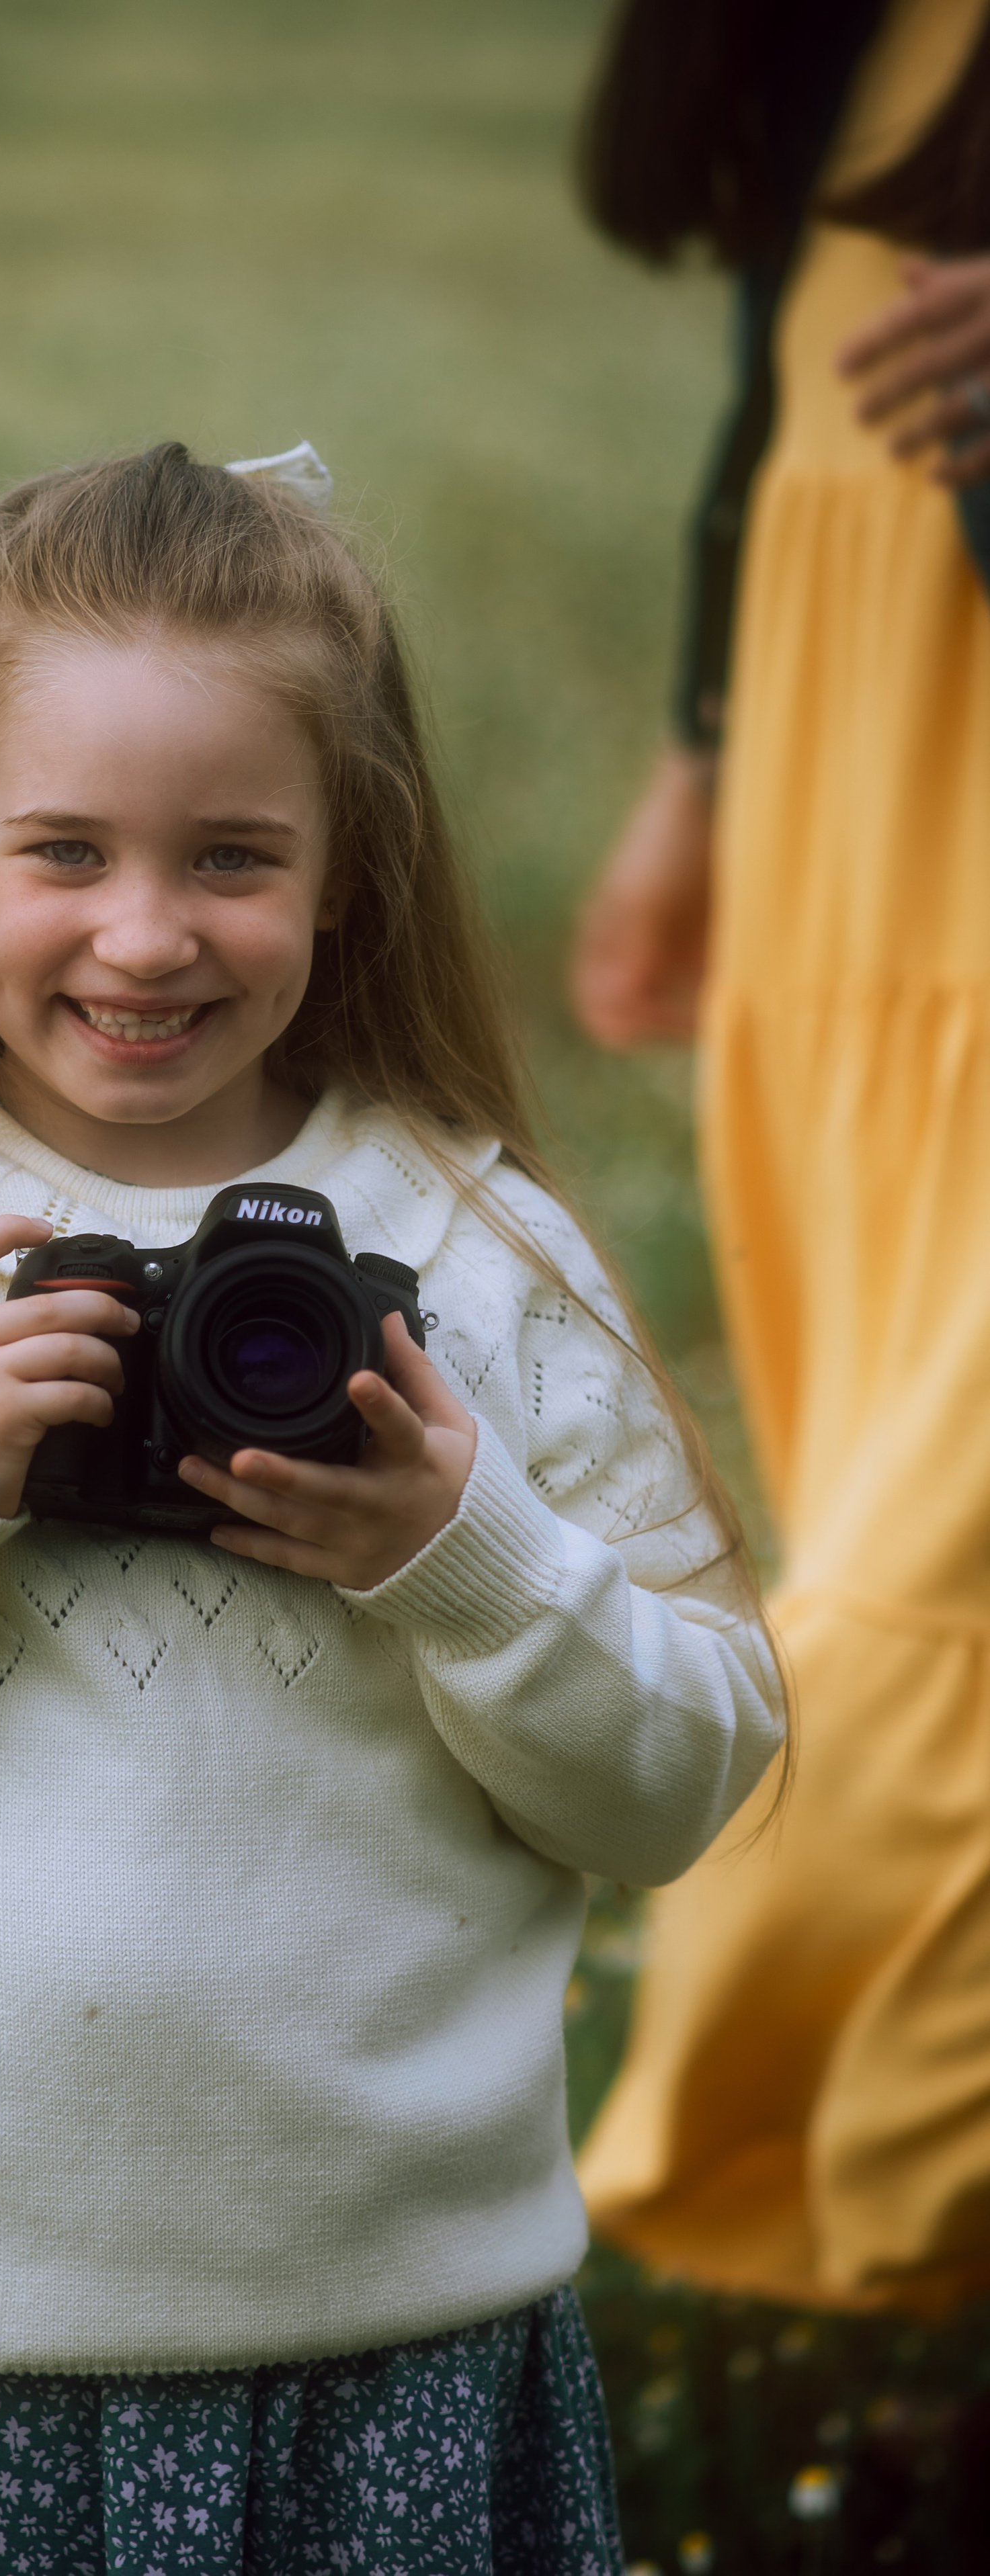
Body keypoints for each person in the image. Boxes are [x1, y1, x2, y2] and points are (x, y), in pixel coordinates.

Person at [0, 443, 783, 2572]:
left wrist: (464, 1562)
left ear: (347, 872)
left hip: (403, 2347)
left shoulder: (476, 1251)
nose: (143, 931)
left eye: (230, 855)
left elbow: (685, 1787)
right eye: (63, 851)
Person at [571, 0, 990, 2311]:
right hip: (863, 844)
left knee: (950, 1570)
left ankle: (864, 2166)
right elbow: (781, 388)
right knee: (881, 1505)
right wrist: (705, 764)